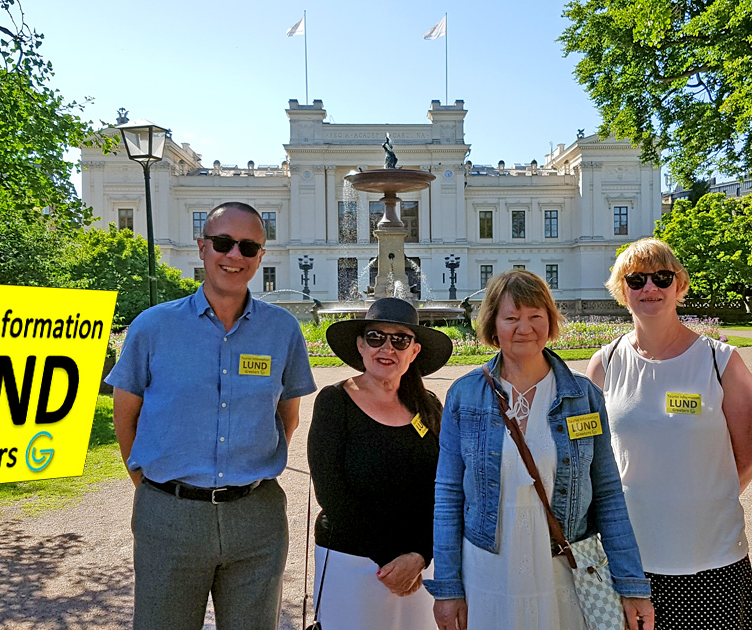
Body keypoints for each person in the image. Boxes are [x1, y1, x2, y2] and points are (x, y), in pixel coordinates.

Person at [105, 201, 317, 630]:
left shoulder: (282, 330)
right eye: (223, 243)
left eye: (248, 246)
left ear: (260, 257)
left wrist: (250, 470)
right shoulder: (153, 326)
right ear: (202, 248)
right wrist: (148, 483)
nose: (234, 255)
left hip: (256, 517)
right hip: (169, 513)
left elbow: (287, 417)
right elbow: (125, 414)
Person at [426, 269, 655, 630]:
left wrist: (632, 585)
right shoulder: (465, 395)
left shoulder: (582, 397)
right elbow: (448, 493)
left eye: (535, 316)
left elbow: (609, 494)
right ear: (492, 325)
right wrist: (448, 588)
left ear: (550, 321)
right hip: (487, 566)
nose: (524, 328)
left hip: (561, 567)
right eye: (511, 317)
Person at [586, 237, 752, 630]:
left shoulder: (720, 362)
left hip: (710, 554)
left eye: (662, 277)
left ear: (679, 286)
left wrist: (704, 499)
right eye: (636, 280)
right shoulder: (605, 363)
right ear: (622, 291)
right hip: (631, 556)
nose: (649, 288)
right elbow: (594, 460)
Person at [307, 297, 454, 629]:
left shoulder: (427, 407)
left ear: (414, 351)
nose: (387, 347)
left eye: (399, 339)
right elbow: (331, 493)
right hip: (352, 562)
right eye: (376, 337)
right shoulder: (334, 402)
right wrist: (391, 559)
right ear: (360, 345)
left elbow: (445, 487)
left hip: (418, 568)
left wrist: (419, 555)